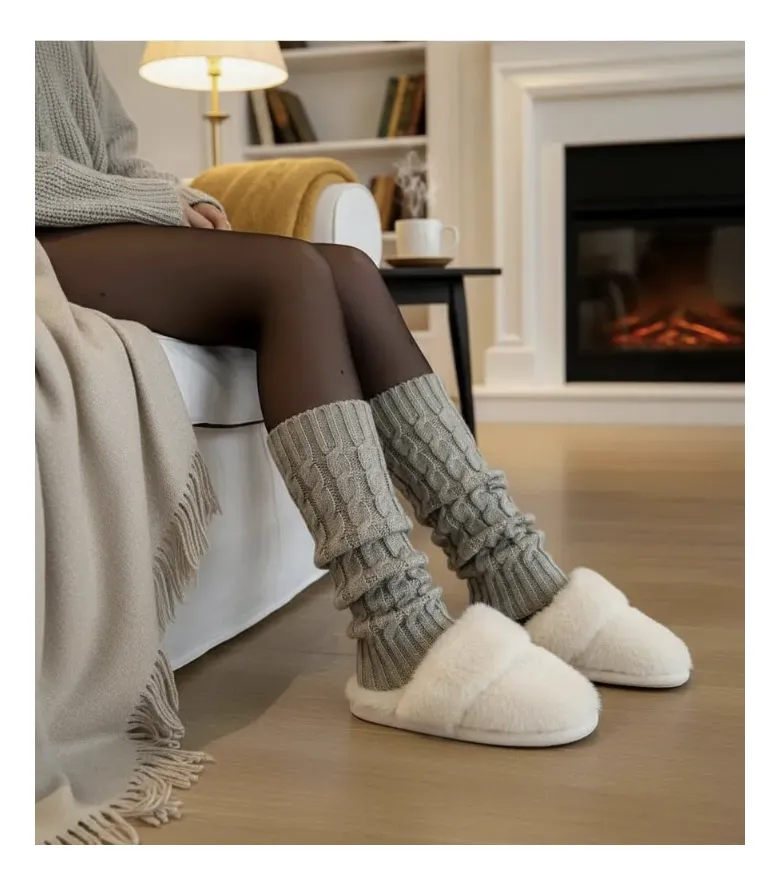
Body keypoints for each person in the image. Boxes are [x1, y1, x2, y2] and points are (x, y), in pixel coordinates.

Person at [35, 41, 691, 748]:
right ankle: (392, 621)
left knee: (347, 267)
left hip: (101, 226)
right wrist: (153, 202)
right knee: (291, 277)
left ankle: (508, 563)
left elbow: (116, 153)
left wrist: (183, 196)